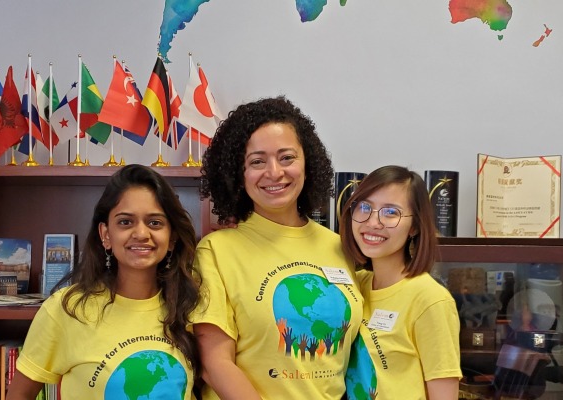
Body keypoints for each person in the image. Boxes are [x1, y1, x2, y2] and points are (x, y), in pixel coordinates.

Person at [192, 96, 364, 400]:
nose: (274, 172)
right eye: (257, 161)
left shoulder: (341, 247)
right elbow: (214, 364)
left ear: (307, 163)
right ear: (238, 173)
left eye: (287, 158)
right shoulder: (216, 252)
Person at [6, 164, 200, 400]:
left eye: (155, 223)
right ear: (106, 235)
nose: (141, 233)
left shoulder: (191, 308)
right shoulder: (66, 309)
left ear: (172, 239)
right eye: (126, 222)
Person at [340, 165, 462, 400]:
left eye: (390, 213)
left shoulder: (430, 299)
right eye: (365, 207)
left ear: (415, 226)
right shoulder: (354, 286)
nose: (373, 223)